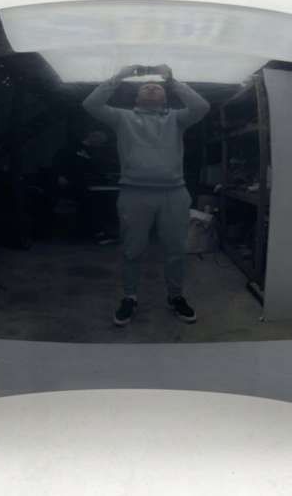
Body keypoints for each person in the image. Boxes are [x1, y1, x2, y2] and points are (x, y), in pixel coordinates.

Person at [82, 64, 210, 326]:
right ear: (136, 97)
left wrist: (173, 81)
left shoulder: (177, 118)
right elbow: (90, 104)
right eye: (145, 86)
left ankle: (175, 296)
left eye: (157, 87)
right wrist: (119, 75)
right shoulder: (122, 118)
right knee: (132, 250)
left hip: (174, 193)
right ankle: (130, 297)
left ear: (166, 96)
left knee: (176, 250)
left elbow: (202, 107)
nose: (151, 87)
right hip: (134, 193)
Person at [52, 130, 116, 243]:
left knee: (99, 201)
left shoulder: (93, 152)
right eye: (100, 141)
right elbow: (58, 160)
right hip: (70, 183)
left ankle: (97, 231)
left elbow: (94, 168)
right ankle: (95, 232)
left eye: (102, 143)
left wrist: (104, 177)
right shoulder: (72, 147)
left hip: (85, 184)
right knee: (91, 202)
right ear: (92, 136)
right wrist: (60, 175)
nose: (100, 145)